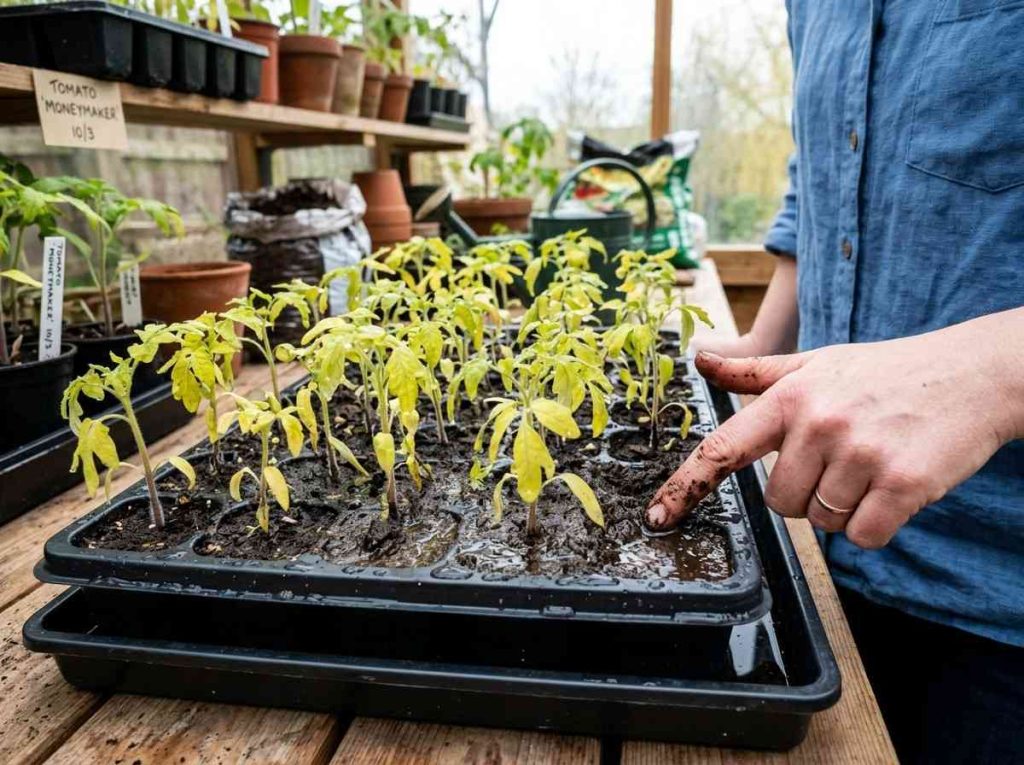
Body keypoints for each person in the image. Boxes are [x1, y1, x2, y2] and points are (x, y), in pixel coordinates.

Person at [645, 3, 1024, 763]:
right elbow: (824, 166)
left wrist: (994, 372)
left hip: (998, 605)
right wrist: (763, 340)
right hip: (820, 543)